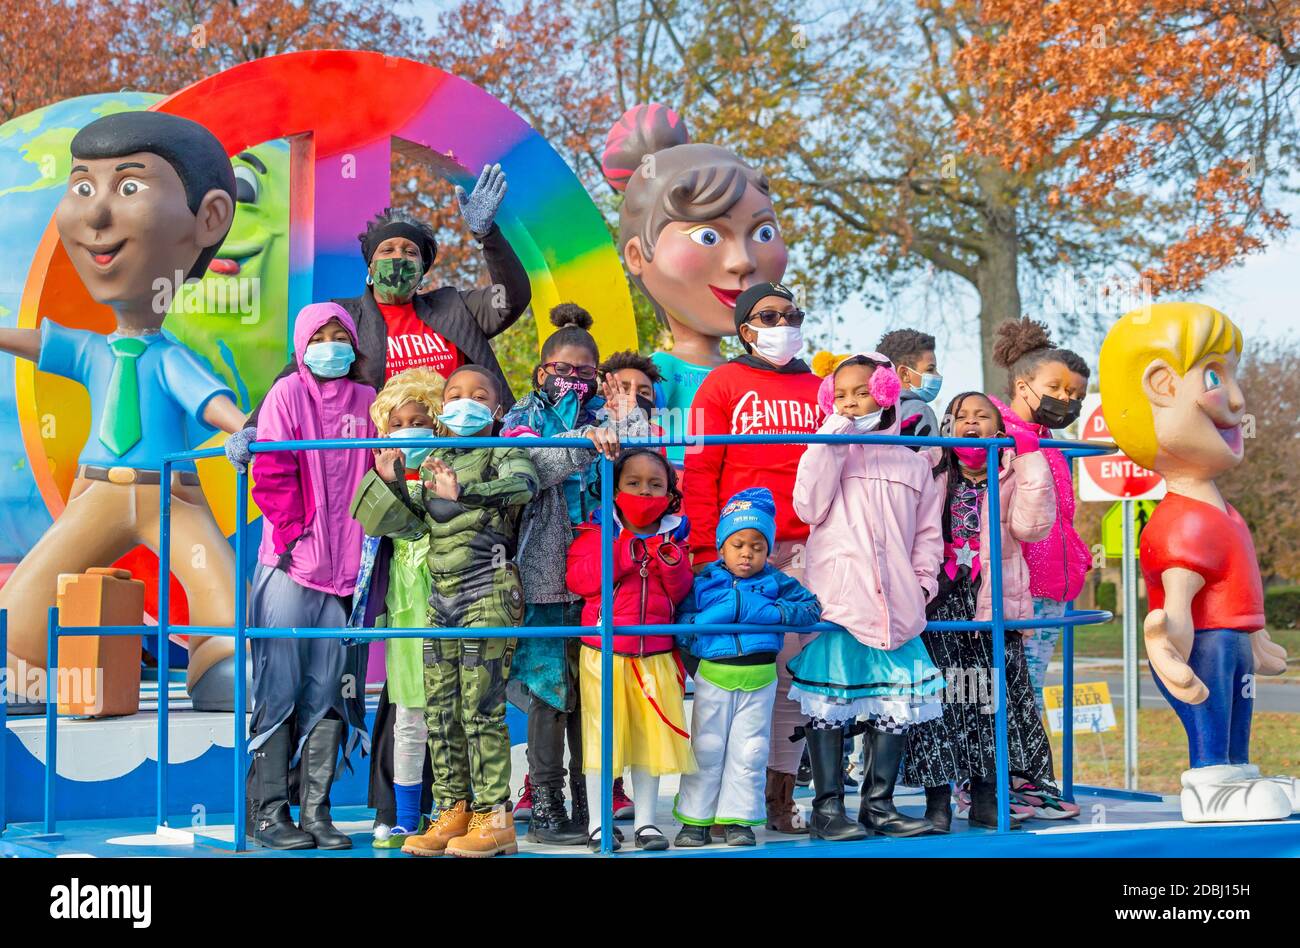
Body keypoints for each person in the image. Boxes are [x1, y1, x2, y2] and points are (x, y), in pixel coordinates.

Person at [0, 111, 247, 712]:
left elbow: (209, 401)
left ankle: (222, 660)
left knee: (220, 583)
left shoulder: (168, 358)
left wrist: (245, 430)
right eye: (82, 187)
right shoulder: (92, 349)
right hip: (97, 495)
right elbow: (40, 343)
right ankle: (24, 668)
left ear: (207, 218)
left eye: (129, 186)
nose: (97, 214)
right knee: (30, 588)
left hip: (173, 496)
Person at [1099, 302, 1296, 822]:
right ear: (1161, 386)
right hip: (1203, 642)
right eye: (1214, 375)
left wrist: (1258, 637)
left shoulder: (1224, 511)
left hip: (1232, 638)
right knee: (1211, 709)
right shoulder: (1182, 518)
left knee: (1240, 710)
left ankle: (1236, 770)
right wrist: (1169, 649)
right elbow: (1178, 598)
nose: (1235, 398)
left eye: (1234, 377)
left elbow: (1237, 584)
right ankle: (1211, 781)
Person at [226, 165, 530, 468]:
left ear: (423, 270)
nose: (399, 257)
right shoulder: (344, 318)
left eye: (410, 252)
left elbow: (511, 298)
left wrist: (487, 234)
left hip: (465, 461)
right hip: (382, 464)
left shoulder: (455, 306)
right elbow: (296, 373)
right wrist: (254, 426)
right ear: (370, 268)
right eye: (388, 250)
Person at [351, 364, 538, 858]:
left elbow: (524, 486)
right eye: (455, 393)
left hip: (489, 592)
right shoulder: (433, 457)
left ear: (496, 409)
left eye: (479, 394)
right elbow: (408, 525)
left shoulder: (505, 450)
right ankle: (453, 809)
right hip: (442, 600)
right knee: (440, 710)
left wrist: (466, 492)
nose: (465, 401)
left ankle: (495, 819)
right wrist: (390, 481)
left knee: (480, 710)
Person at [500, 304, 649, 844]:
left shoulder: (606, 418)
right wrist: (583, 445)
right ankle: (545, 807)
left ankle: (594, 806)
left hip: (598, 579)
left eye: (588, 373)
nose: (576, 381)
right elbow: (525, 472)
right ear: (542, 372)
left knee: (593, 693)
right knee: (547, 696)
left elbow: (643, 472)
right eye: (565, 370)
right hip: (542, 579)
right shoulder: (521, 416)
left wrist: (627, 425)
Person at [683, 280, 824, 835]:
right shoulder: (722, 383)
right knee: (736, 676)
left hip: (813, 549)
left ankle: (779, 797)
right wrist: (701, 550)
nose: (783, 322)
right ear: (745, 329)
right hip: (741, 559)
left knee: (800, 679)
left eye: (792, 314)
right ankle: (705, 807)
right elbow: (699, 471)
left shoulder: (820, 389)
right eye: (769, 315)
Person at [788, 354, 946, 839]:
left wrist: (923, 585)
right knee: (830, 703)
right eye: (841, 393)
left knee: (894, 704)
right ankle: (827, 810)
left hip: (898, 607)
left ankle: (878, 806)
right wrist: (832, 435)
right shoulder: (827, 446)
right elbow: (807, 504)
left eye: (862, 391)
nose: (852, 401)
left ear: (885, 389)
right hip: (840, 603)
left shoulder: (914, 461)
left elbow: (927, 536)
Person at [246, 302, 375, 850]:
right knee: (278, 688)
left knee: (332, 693)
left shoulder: (369, 401)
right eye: (318, 336)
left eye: (339, 335)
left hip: (347, 579)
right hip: (290, 567)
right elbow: (272, 472)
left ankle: (317, 812)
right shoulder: (286, 394)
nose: (330, 345)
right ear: (301, 344)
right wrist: (298, 536)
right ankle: (267, 813)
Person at [599, 104, 790, 469]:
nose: (743, 261)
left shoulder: (755, 373)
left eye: (763, 233)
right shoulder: (659, 371)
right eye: (708, 236)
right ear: (637, 256)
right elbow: (630, 428)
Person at [901, 392, 1060, 830]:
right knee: (938, 699)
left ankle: (988, 793)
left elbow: (1032, 526)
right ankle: (937, 801)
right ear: (949, 427)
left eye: (981, 416)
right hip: (940, 596)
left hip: (992, 598)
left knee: (989, 698)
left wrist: (1029, 461)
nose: (970, 422)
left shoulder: (1009, 471)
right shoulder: (933, 468)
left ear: (998, 429)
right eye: (960, 416)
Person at [673, 487, 821, 847]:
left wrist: (776, 614)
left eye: (757, 546)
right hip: (715, 675)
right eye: (738, 544)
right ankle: (696, 820)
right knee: (707, 747)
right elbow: (683, 623)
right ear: (722, 546)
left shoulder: (776, 581)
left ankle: (739, 819)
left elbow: (811, 608)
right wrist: (702, 638)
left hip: (759, 678)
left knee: (751, 749)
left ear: (768, 550)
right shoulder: (705, 581)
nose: (747, 554)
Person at [566, 448, 697, 851]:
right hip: (603, 656)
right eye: (633, 483)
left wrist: (672, 564)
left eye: (656, 484)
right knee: (602, 741)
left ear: (670, 492)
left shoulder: (676, 535)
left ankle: (646, 822)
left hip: (656, 654)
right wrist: (624, 553)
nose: (645, 492)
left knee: (648, 741)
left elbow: (681, 592)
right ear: (614, 488)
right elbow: (581, 580)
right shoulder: (595, 532)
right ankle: (599, 823)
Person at [990, 317, 1090, 820]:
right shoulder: (1001, 434)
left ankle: (1025, 777)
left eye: (1075, 393)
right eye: (1055, 388)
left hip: (1053, 584)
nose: (1066, 399)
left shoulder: (1046, 439)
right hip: (1018, 585)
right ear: (1022, 384)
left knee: (1029, 687)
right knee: (1009, 688)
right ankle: (998, 782)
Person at [348, 367, 444, 849]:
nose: (412, 429)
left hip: (450, 600)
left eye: (421, 419)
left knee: (452, 716)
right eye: (401, 422)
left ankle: (451, 811)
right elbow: (374, 528)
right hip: (405, 606)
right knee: (409, 714)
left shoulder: (451, 469)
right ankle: (405, 814)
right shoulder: (379, 478)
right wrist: (388, 482)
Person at [876, 329, 943, 441]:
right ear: (905, 373)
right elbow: (931, 456)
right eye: (930, 369)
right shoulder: (919, 409)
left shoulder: (870, 409)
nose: (937, 375)